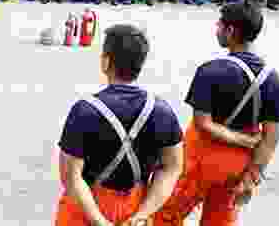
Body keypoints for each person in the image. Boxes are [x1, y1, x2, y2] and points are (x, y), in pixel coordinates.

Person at [154, 2, 279, 226]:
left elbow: (203, 123)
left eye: (220, 25)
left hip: (201, 157)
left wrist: (238, 138)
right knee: (220, 220)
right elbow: (271, 139)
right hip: (238, 164)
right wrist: (251, 178)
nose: (217, 28)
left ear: (231, 31)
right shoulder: (276, 82)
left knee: (166, 214)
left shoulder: (211, 71)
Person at [55, 24, 183, 226]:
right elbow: (172, 167)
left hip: (87, 205)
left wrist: (99, 221)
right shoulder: (162, 111)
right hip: (136, 204)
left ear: (106, 62)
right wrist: (143, 214)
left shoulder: (85, 111)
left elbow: (71, 177)